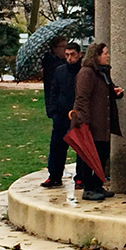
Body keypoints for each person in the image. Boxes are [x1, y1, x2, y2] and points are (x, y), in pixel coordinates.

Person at [71, 42, 123, 201]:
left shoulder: (103, 72)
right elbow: (82, 98)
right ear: (97, 55)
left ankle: (97, 185)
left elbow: (107, 90)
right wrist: (84, 121)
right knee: (89, 157)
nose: (108, 56)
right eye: (105, 53)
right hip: (91, 122)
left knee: (102, 155)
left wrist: (116, 92)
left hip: (103, 122)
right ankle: (88, 188)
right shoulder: (86, 73)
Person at [42, 42, 82, 188]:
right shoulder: (60, 71)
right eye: (67, 55)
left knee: (81, 148)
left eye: (72, 55)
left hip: (78, 115)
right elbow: (53, 91)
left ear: (79, 55)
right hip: (61, 115)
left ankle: (81, 177)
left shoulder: (83, 71)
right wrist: (54, 111)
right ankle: (54, 176)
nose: (69, 58)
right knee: (57, 147)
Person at [43, 36, 67, 118]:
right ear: (54, 48)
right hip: (55, 103)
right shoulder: (51, 62)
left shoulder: (64, 61)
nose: (65, 49)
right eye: (62, 46)